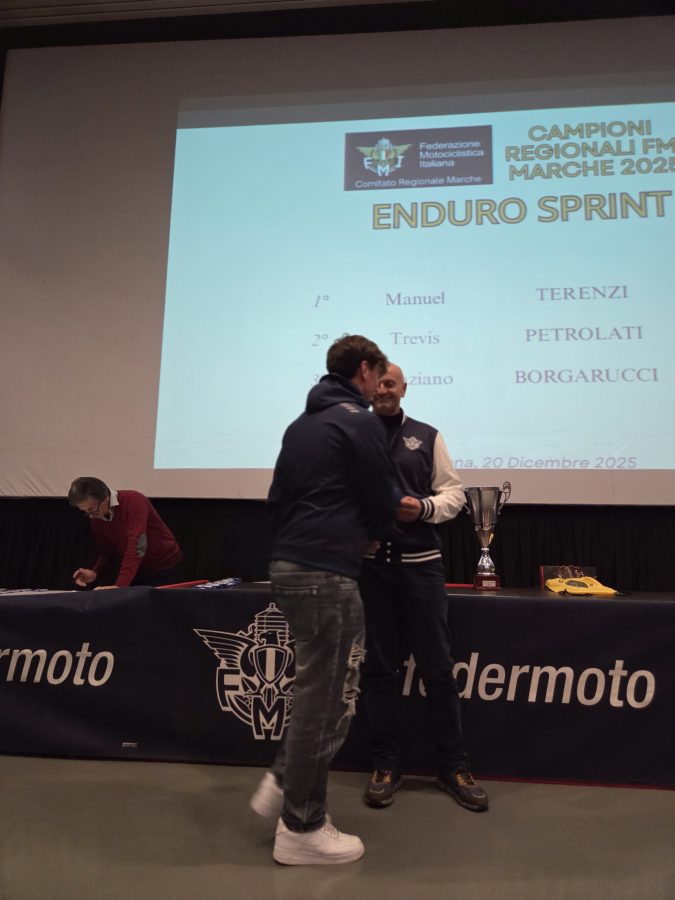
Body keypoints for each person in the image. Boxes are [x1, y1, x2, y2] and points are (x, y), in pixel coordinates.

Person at [249, 334, 398, 866]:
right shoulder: (359, 422)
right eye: (379, 377)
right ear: (364, 370)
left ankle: (284, 777)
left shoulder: (301, 425)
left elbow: (275, 501)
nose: (380, 387)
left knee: (319, 691)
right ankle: (302, 827)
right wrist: (368, 535)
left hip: (288, 566)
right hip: (327, 573)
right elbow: (383, 497)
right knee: (329, 698)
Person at [360, 364, 489, 812]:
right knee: (379, 672)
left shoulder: (427, 436)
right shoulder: (351, 436)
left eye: (390, 383)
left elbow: (453, 494)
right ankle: (385, 764)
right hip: (372, 572)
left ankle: (453, 766)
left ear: (403, 389)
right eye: (377, 383)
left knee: (438, 671)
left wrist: (425, 508)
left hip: (422, 569)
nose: (383, 389)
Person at [68, 477, 183, 588]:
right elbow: (107, 551)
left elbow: (138, 544)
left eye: (91, 509)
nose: (91, 515)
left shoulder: (133, 500)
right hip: (135, 569)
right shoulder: (96, 517)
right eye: (85, 511)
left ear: (105, 498)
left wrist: (120, 586)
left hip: (163, 565)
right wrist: (95, 572)